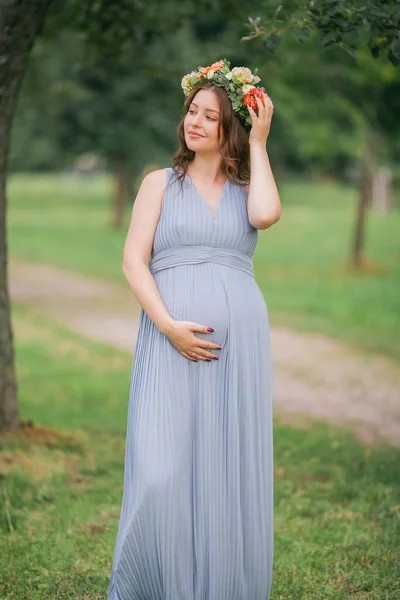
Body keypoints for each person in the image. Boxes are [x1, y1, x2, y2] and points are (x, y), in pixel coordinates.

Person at [107, 58, 280, 600]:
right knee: (161, 472)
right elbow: (134, 261)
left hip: (239, 345)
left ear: (232, 128)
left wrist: (259, 143)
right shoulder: (159, 183)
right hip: (168, 340)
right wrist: (169, 328)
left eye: (211, 116)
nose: (196, 122)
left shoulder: (247, 188)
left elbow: (268, 215)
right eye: (191, 111)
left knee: (226, 469)